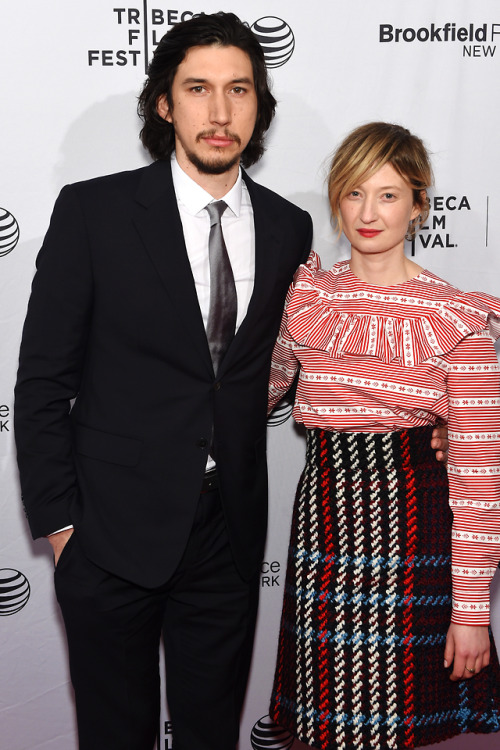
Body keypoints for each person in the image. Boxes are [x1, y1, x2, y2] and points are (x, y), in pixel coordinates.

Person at [13, 12, 313, 750]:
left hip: (229, 535)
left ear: (259, 104)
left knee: (211, 735)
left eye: (239, 89)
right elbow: (43, 381)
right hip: (107, 533)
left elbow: (303, 360)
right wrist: (61, 529)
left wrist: (432, 406)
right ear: (164, 103)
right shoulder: (94, 212)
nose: (220, 111)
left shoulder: (288, 227)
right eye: (199, 88)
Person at [267, 122, 500, 749]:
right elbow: (252, 394)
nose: (368, 213)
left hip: (415, 525)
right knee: (322, 730)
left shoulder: (457, 318)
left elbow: (479, 473)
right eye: (353, 193)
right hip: (323, 520)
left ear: (420, 204)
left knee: (393, 730)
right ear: (337, 200)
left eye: (389, 195)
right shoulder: (306, 301)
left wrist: (472, 611)